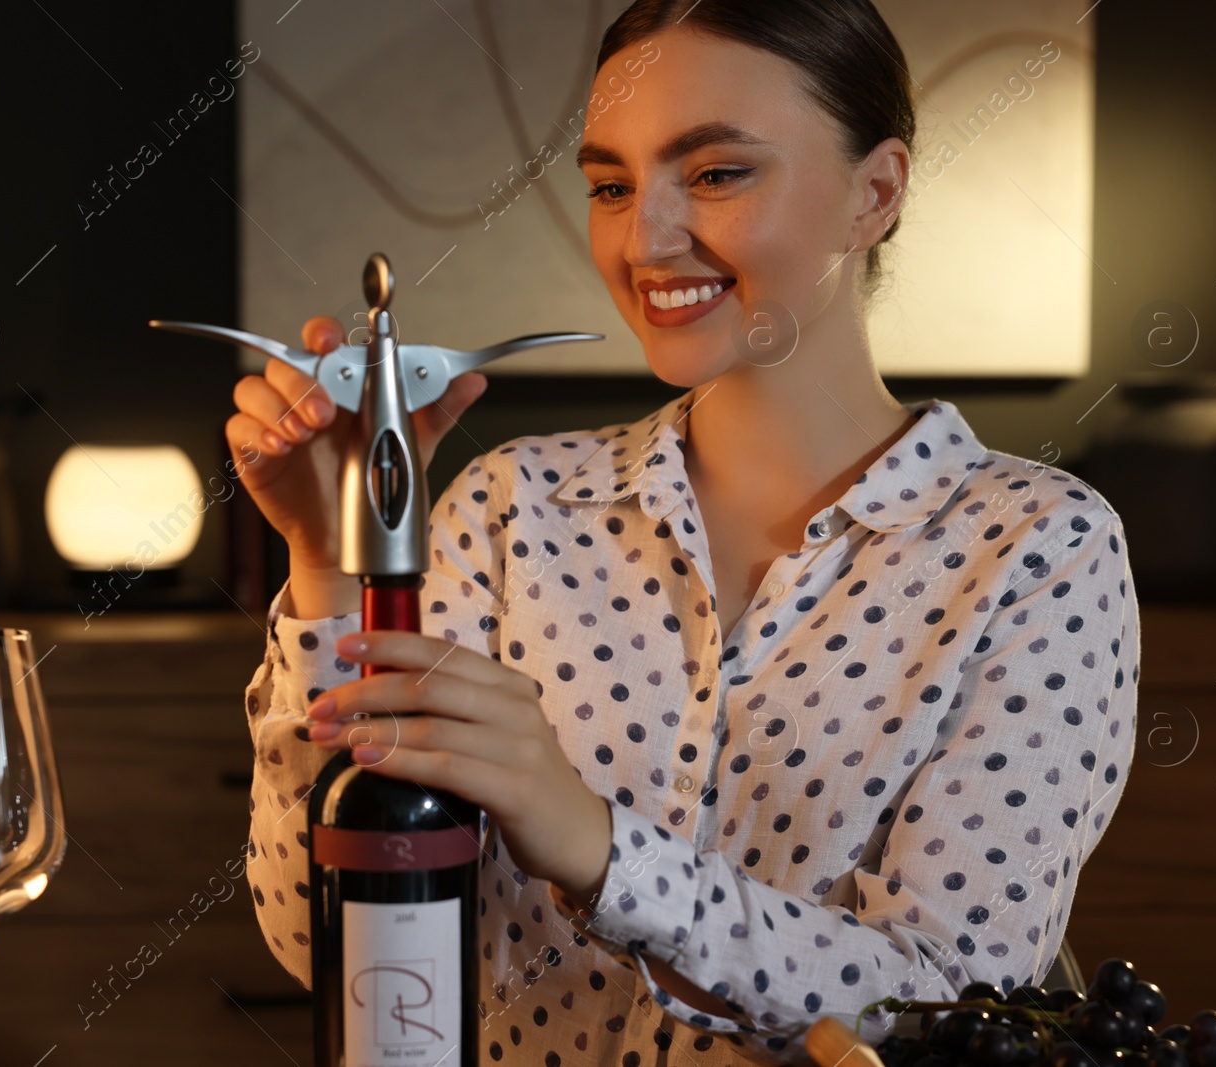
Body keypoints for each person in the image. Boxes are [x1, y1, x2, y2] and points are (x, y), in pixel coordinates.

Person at [229, 0, 1141, 1062]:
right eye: (611, 185)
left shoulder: (1037, 552)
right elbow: (324, 942)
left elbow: (948, 1004)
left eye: (714, 174)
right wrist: (334, 569)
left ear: (875, 191)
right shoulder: (508, 508)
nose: (644, 237)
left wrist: (596, 848)